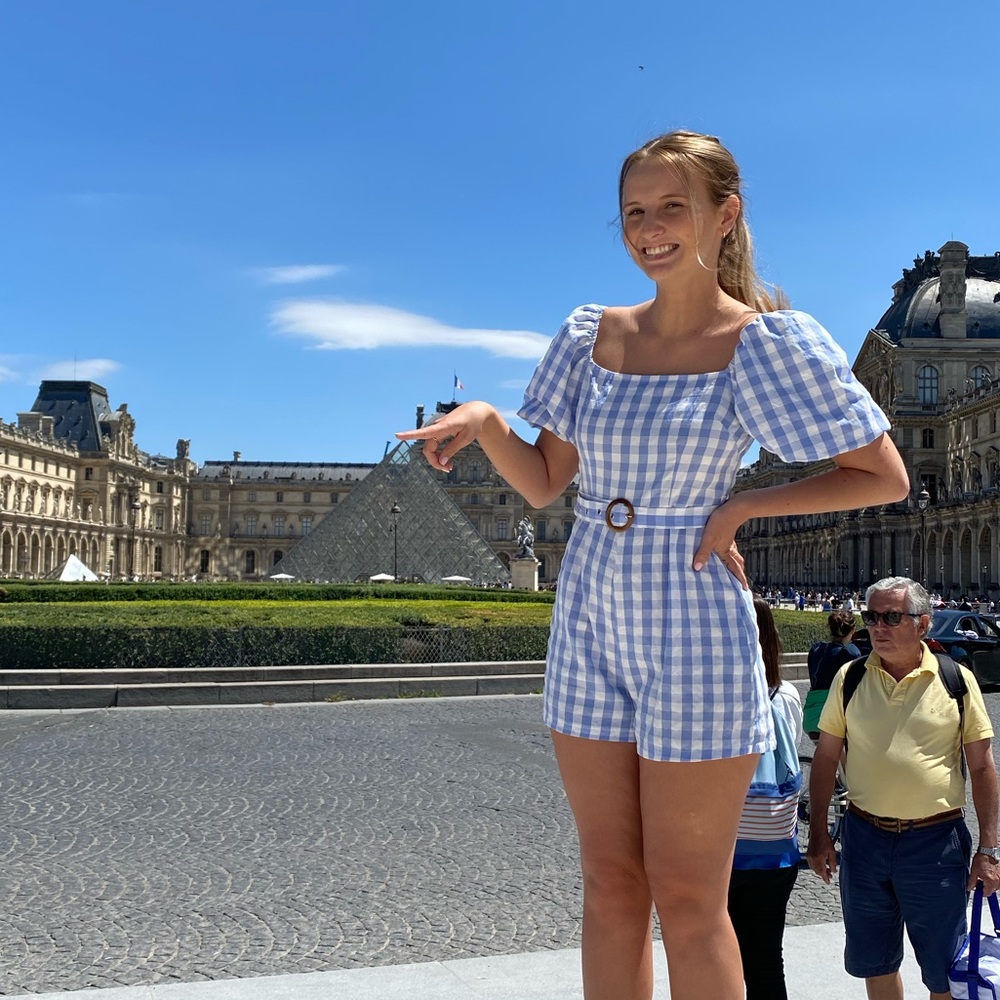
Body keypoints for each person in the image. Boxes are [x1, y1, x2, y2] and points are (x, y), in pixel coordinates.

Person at [396, 129, 909, 1000]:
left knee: (689, 896)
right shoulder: (589, 334)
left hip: (695, 623)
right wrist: (486, 422)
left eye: (674, 206)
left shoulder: (765, 343)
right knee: (609, 886)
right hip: (590, 612)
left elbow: (882, 473)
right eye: (635, 211)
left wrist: (743, 503)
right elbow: (547, 482)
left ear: (725, 215)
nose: (650, 227)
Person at [807, 577, 999, 1000]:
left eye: (892, 617)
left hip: (935, 843)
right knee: (875, 963)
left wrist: (988, 851)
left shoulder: (956, 680)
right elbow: (824, 759)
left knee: (943, 969)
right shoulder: (850, 676)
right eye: (871, 617)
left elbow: (983, 766)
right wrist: (818, 833)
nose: (878, 627)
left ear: (923, 624)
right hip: (864, 838)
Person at [729, 599, 802, 1000]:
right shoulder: (785, 694)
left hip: (720, 850)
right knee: (766, 963)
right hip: (775, 850)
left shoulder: (714, 693)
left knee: (711, 954)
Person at [802, 610, 860, 740]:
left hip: (811, 717)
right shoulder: (849, 653)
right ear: (852, 631)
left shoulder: (816, 649)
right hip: (832, 720)